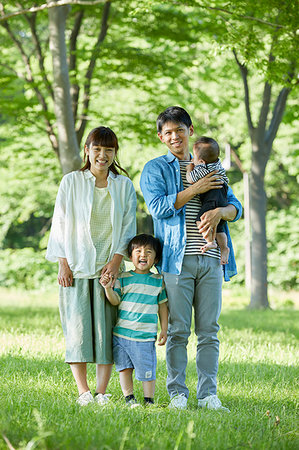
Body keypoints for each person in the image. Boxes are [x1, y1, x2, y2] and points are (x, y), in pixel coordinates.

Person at [140, 106, 242, 411]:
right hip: (176, 260)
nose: (175, 137)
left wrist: (221, 212)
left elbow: (236, 205)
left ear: (190, 130)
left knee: (209, 330)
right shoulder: (155, 169)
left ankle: (208, 394)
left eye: (179, 130)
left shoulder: (212, 164)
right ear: (161, 136)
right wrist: (197, 188)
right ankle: (178, 395)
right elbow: (158, 207)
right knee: (178, 330)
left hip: (211, 259)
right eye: (168, 132)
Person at [46, 126, 137, 406]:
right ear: (87, 150)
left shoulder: (123, 185)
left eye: (108, 150)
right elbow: (59, 223)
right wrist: (63, 263)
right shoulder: (71, 182)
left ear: (114, 153)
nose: (102, 155)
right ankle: (83, 391)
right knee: (77, 329)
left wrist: (116, 261)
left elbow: (128, 227)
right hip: (76, 265)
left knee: (106, 331)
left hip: (108, 268)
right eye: (97, 149)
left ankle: (101, 392)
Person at [100, 234, 168, 408]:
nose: (143, 255)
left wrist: (164, 330)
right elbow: (115, 300)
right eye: (138, 251)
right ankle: (129, 398)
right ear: (130, 256)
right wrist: (108, 288)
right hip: (121, 334)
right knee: (124, 368)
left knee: (147, 370)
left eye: (148, 252)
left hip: (144, 336)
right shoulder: (123, 277)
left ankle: (148, 400)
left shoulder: (158, 281)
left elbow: (162, 307)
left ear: (156, 258)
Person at [186, 136, 230, 264]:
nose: (193, 159)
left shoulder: (202, 169)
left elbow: (191, 179)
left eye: (194, 157)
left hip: (212, 198)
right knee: (220, 227)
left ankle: (210, 242)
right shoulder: (217, 164)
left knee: (201, 221)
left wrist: (190, 169)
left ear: (201, 161)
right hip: (222, 197)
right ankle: (224, 248)